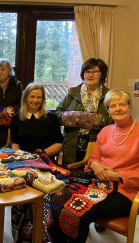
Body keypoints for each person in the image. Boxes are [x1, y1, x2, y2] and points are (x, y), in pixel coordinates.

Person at [50, 90, 139, 243]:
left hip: (125, 191)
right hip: (97, 182)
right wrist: (96, 165)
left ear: (130, 106)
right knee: (57, 196)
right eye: (112, 106)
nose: (117, 109)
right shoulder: (105, 131)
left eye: (122, 104)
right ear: (109, 111)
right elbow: (93, 158)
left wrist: (119, 176)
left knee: (78, 211)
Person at [10, 83, 63, 242]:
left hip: (45, 166)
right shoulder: (17, 118)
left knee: (44, 200)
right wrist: (21, 157)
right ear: (26, 97)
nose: (35, 100)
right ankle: (22, 236)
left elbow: (59, 143)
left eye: (39, 97)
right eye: (32, 96)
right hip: (22, 165)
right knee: (19, 197)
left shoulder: (51, 118)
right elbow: (15, 144)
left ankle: (42, 235)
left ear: (43, 99)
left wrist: (42, 155)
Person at [56, 58, 113, 166]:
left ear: (102, 74)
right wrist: (78, 118)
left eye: (95, 71)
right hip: (72, 146)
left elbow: (113, 121)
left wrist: (97, 120)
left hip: (97, 146)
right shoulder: (72, 93)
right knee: (70, 179)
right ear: (83, 74)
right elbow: (58, 113)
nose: (91, 75)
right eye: (87, 72)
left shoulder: (109, 95)